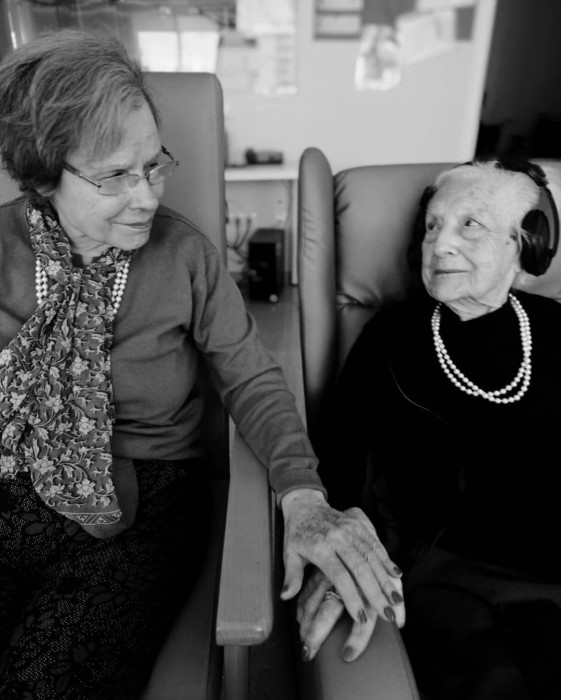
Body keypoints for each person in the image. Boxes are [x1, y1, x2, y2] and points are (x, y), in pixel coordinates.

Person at [0, 29, 405, 699]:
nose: (147, 196)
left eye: (153, 164)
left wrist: (304, 497)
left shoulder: (185, 257)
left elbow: (252, 378)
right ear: (44, 175)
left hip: (146, 504)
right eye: (114, 176)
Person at [297, 158, 561, 699]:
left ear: (524, 246)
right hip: (449, 577)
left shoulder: (557, 327)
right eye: (432, 226)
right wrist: (342, 554)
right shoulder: (391, 335)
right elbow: (336, 462)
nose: (440, 245)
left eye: (470, 225)